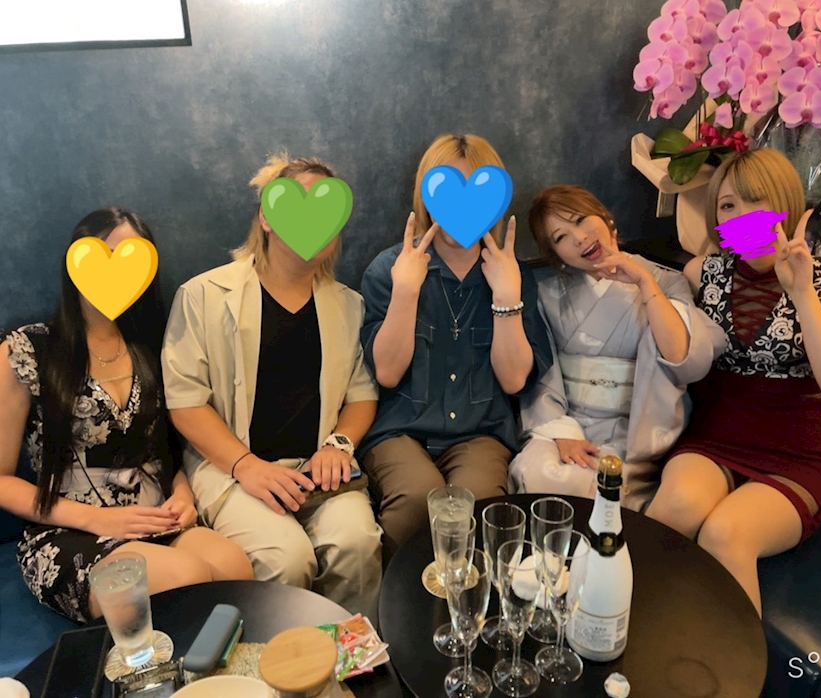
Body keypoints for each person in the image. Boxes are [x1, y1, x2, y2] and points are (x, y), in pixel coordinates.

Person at [0, 209, 253, 623]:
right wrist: (96, 518)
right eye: (105, 255)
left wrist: (183, 496)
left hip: (153, 517)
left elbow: (168, 449)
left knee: (234, 568)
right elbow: (0, 480)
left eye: (132, 258)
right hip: (68, 529)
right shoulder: (28, 350)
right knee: (184, 577)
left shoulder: (155, 344)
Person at [162, 155, 382, 620]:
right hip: (233, 468)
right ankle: (285, 661)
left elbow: (361, 394)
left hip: (318, 470)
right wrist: (246, 466)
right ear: (267, 217)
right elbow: (185, 403)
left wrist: (339, 445)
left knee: (358, 543)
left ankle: (352, 659)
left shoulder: (348, 305)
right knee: (286, 558)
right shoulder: (202, 296)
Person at [645, 148, 821, 615]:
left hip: (795, 457)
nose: (741, 216)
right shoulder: (701, 272)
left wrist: (801, 293)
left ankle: (734, 664)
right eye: (728, 205)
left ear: (785, 204)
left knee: (725, 533)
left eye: (756, 201)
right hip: (712, 440)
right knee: (672, 511)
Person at [358, 134, 553, 559]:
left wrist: (506, 296)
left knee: (478, 506)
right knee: (416, 500)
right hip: (400, 430)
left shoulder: (513, 274)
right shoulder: (390, 268)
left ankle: (472, 598)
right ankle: (400, 599)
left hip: (480, 433)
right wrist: (405, 292)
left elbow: (514, 380)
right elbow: (387, 372)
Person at [509, 186, 726, 511]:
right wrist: (561, 432)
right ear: (555, 254)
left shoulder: (665, 281)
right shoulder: (549, 295)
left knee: (603, 485)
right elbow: (544, 376)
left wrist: (644, 283)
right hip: (568, 424)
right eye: (561, 237)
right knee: (537, 470)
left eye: (581, 220)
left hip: (635, 429)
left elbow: (683, 359)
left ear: (605, 217)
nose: (579, 238)